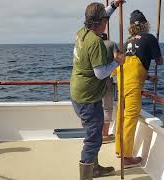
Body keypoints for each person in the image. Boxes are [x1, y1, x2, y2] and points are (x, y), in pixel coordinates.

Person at [70, 1, 125, 180]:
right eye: (105, 20)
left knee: (94, 134)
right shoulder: (96, 43)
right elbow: (101, 73)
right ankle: (86, 176)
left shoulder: (82, 32)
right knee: (93, 139)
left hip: (79, 93)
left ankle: (95, 168)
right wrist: (118, 61)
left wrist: (115, 5)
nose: (106, 22)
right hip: (88, 98)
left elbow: (103, 15)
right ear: (101, 22)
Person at [114, 10, 164, 168]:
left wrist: (148, 77)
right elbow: (160, 61)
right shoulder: (149, 38)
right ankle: (126, 156)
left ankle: (119, 150)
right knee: (130, 118)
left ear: (131, 27)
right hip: (133, 84)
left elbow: (128, 66)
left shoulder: (126, 41)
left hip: (121, 81)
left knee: (120, 115)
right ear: (145, 24)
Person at [100, 33, 119, 144]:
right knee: (107, 107)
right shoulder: (111, 44)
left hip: (94, 79)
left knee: (97, 106)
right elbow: (117, 57)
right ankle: (105, 135)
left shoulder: (94, 44)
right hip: (106, 78)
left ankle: (96, 134)